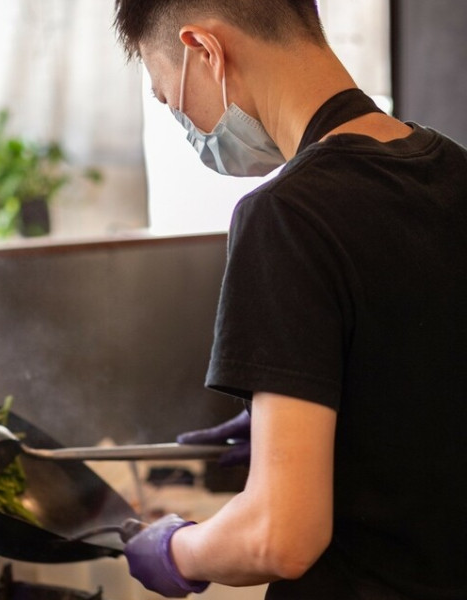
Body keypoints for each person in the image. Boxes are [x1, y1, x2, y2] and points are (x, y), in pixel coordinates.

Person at [112, 1, 467, 598]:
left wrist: (174, 549)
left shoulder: (286, 216)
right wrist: (313, 420)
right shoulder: (454, 168)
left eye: (170, 99)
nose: (185, 123)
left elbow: (279, 536)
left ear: (205, 50)